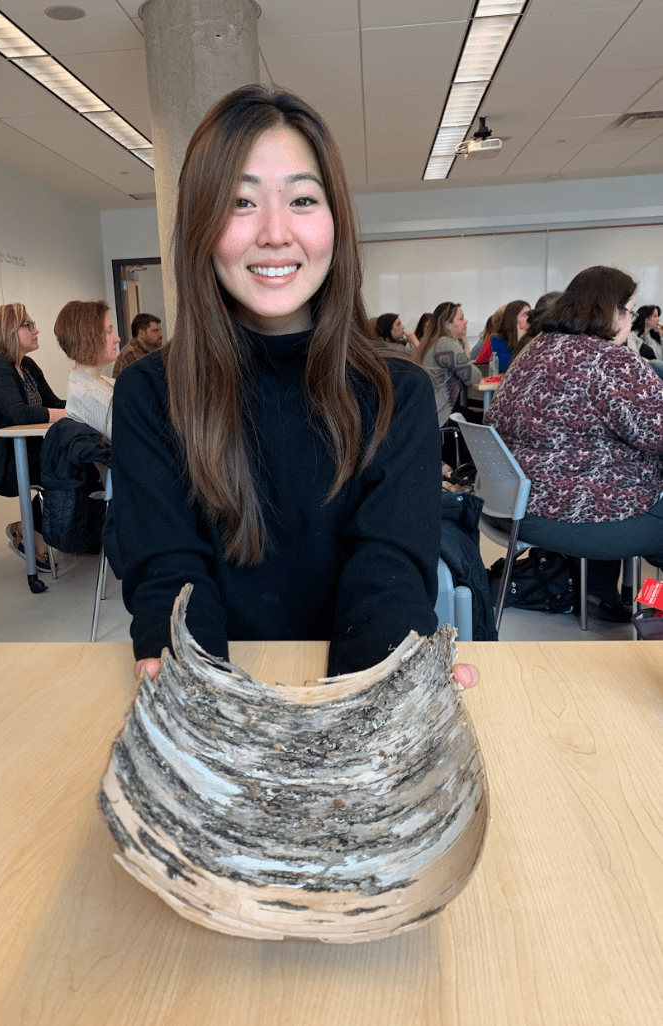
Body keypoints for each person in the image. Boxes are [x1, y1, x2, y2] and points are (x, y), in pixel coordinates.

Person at [109, 84, 478, 689]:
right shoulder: (150, 393)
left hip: (348, 696)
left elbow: (387, 575)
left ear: (336, 223)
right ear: (200, 224)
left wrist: (371, 699)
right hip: (220, 698)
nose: (276, 233)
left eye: (303, 199)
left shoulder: (399, 394)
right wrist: (208, 703)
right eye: (240, 202)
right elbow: (169, 575)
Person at [486, 265, 663, 622]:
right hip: (575, 516)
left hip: (515, 507)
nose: (630, 320)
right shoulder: (611, 361)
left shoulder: (533, 351)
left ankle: (599, 592)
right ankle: (651, 609)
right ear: (608, 311)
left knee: (609, 476)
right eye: (628, 310)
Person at [0, 303, 66, 573]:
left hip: (19, 452)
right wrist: (68, 412)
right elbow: (18, 413)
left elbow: (52, 403)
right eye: (28, 325)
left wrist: (84, 403)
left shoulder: (26, 365)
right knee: (64, 466)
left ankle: (36, 528)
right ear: (8, 331)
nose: (36, 329)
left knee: (76, 460)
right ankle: (35, 537)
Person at [54, 299, 119, 440]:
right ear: (89, 338)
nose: (117, 339)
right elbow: (131, 437)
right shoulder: (85, 394)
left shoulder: (99, 382)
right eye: (109, 332)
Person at [415, 302, 481, 428]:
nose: (466, 321)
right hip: (441, 415)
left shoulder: (434, 343)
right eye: (461, 318)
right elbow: (473, 377)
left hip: (429, 412)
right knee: (489, 421)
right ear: (449, 324)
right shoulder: (445, 344)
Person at [112, 313, 163, 378]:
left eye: (160, 330)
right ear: (141, 333)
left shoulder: (150, 351)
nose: (161, 334)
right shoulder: (130, 353)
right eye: (155, 331)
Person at [484, 300, 530, 371]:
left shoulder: (533, 338)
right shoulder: (498, 340)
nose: (529, 318)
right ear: (513, 318)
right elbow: (507, 367)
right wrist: (519, 342)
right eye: (525, 314)